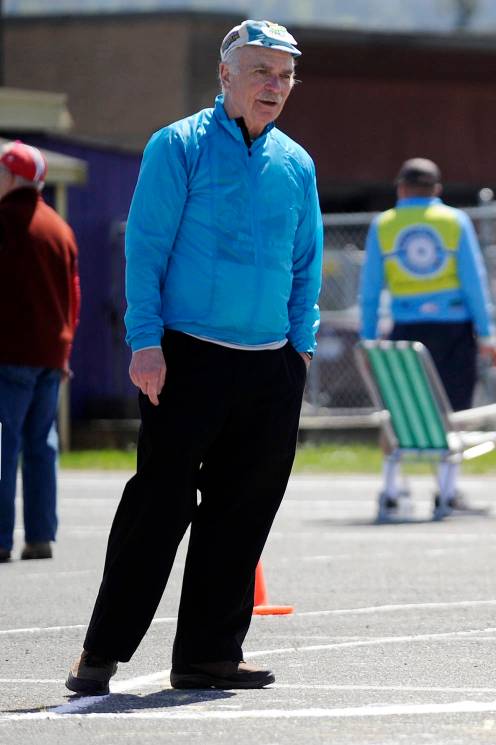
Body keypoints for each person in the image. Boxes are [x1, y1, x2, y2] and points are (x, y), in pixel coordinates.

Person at [65, 19, 323, 695]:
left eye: (285, 75)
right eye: (261, 71)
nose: (274, 85)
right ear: (225, 75)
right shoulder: (177, 145)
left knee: (243, 511)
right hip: (186, 356)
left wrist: (299, 348)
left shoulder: (296, 163)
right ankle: (101, 652)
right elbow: (145, 249)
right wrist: (145, 341)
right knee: (158, 504)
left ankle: (208, 654)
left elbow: (307, 263)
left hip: (270, 363)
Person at [359, 157, 496, 520]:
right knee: (452, 410)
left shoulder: (383, 225)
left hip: (404, 332)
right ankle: (446, 492)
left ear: (401, 188)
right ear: (437, 190)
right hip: (454, 330)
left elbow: (370, 290)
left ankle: (391, 491)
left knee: (399, 411)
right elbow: (474, 281)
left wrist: (367, 340)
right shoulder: (455, 221)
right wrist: (487, 334)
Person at [0, 141, 80, 564]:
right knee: (40, 445)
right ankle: (40, 536)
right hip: (51, 355)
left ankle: (0, 539)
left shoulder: (5, 220)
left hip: (9, 352)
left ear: (12, 177)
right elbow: (74, 295)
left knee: (3, 446)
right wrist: (65, 349)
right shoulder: (60, 229)